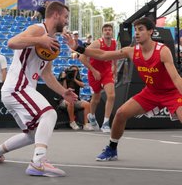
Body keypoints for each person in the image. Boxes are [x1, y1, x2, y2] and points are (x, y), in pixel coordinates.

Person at [0, 1, 77, 177]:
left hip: (18, 90)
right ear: (55, 15)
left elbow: (47, 75)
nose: (66, 21)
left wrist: (63, 92)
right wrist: (39, 39)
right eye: (65, 17)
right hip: (17, 87)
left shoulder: (52, 43)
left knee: (33, 135)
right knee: (49, 114)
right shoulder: (38, 30)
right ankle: (38, 163)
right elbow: (11, 42)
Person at [74, 17, 182, 161]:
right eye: (135, 30)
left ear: (150, 32)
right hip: (150, 92)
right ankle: (112, 149)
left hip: (171, 93)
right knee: (120, 114)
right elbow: (103, 55)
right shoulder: (131, 51)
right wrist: (79, 48)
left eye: (141, 29)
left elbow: (176, 78)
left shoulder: (163, 51)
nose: (136, 33)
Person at [79, 24, 117, 133]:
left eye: (109, 30)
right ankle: (91, 116)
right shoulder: (97, 43)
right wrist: (93, 70)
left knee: (112, 95)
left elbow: (114, 56)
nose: (108, 32)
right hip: (94, 73)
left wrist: (115, 67)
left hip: (107, 72)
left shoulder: (114, 43)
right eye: (105, 30)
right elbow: (82, 57)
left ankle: (106, 123)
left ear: (112, 32)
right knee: (96, 99)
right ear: (102, 32)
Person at [58, 65, 94, 131]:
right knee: (70, 102)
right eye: (73, 71)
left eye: (76, 71)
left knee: (87, 104)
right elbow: (64, 89)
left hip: (76, 100)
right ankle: (72, 122)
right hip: (64, 100)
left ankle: (86, 124)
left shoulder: (77, 79)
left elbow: (82, 85)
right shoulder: (64, 78)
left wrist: (74, 79)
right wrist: (64, 79)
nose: (74, 72)